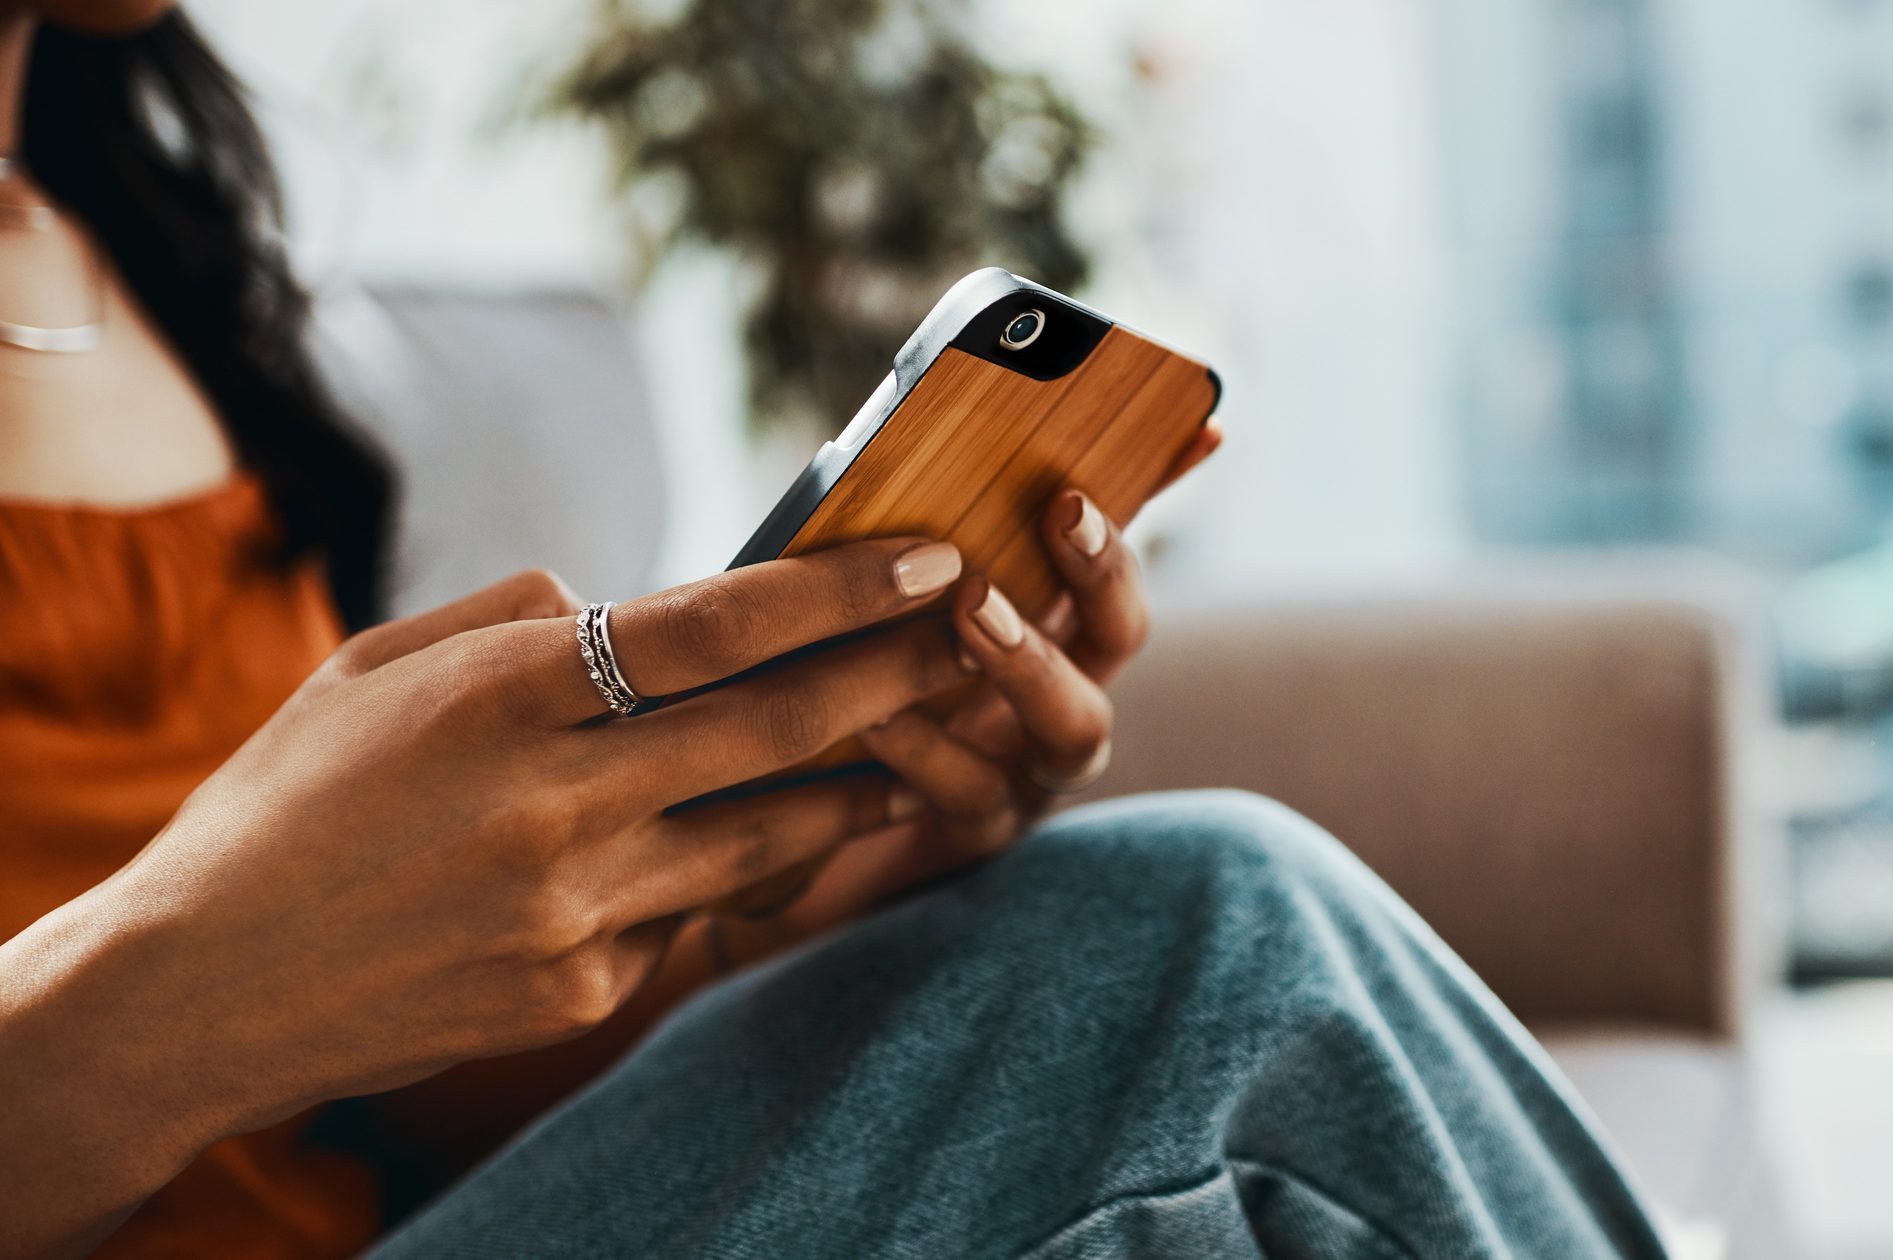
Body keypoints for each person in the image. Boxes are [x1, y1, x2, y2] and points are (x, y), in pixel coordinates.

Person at [0, 4, 1670, 1259]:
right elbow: (212, 1019)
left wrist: (790, 892)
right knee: (1217, 937)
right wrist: (168, 998)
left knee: (1129, 947)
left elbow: (354, 1099)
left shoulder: (140, 257)